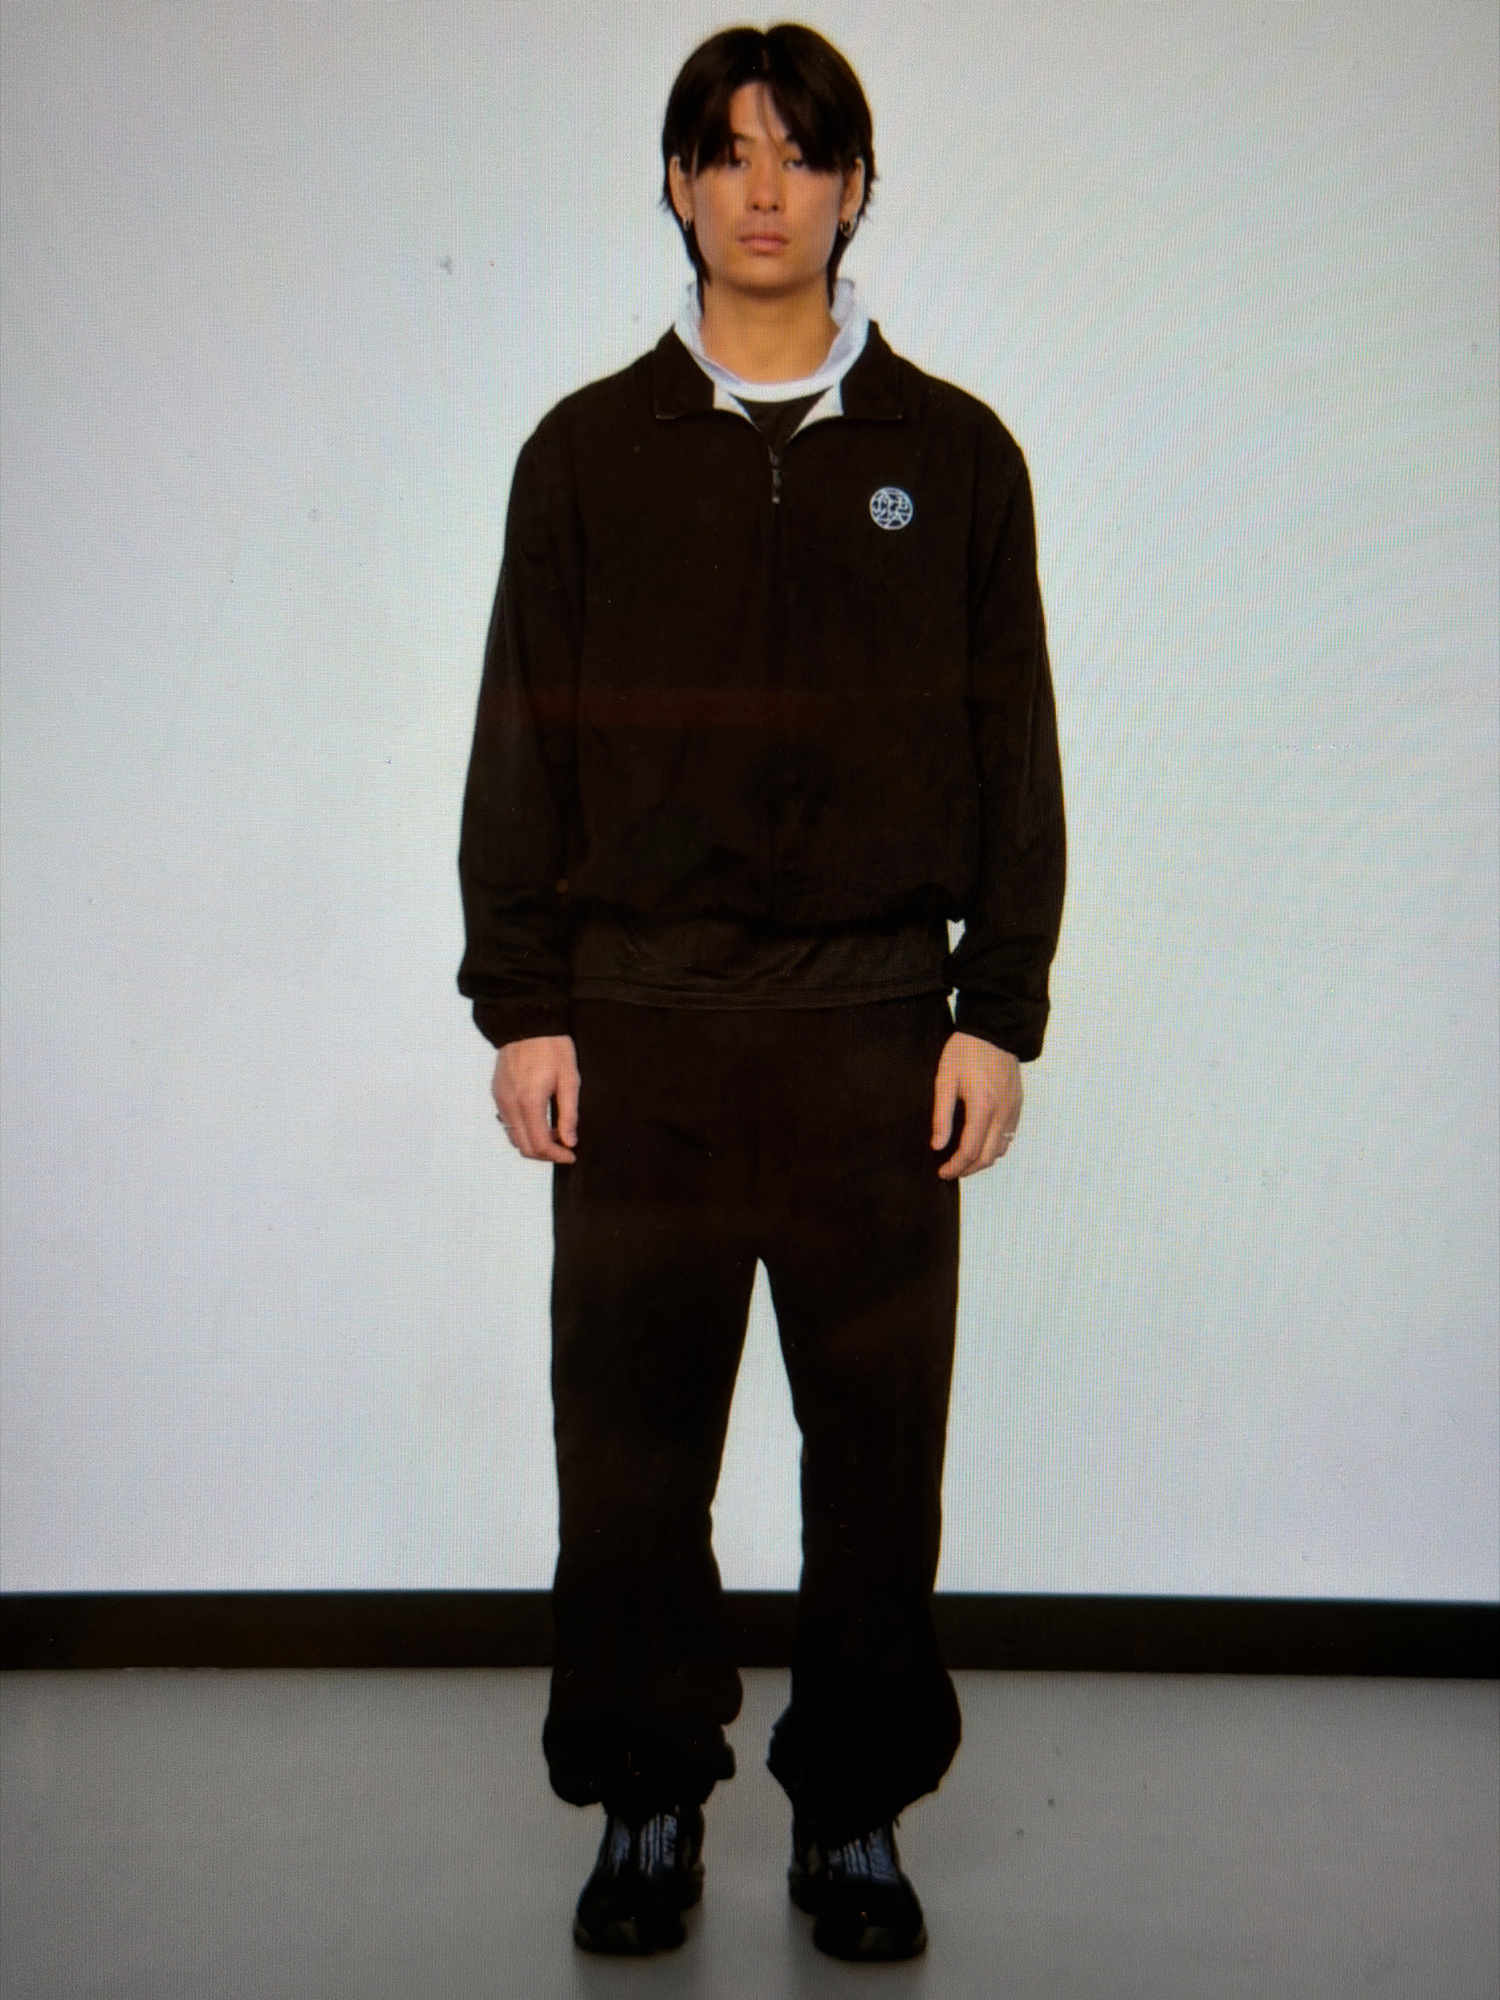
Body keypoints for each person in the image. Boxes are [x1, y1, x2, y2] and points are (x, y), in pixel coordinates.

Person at [457, 21, 1065, 1964]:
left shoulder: (951, 458)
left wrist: (998, 1009)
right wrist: (525, 1002)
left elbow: (1019, 751)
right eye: (727, 152)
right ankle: (647, 1794)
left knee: (877, 1452)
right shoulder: (587, 454)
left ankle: (854, 1808)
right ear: (676, 184)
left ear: (857, 185)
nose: (766, 189)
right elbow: (521, 738)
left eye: (803, 154)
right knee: (630, 1448)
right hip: (642, 1029)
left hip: (876, 1031)